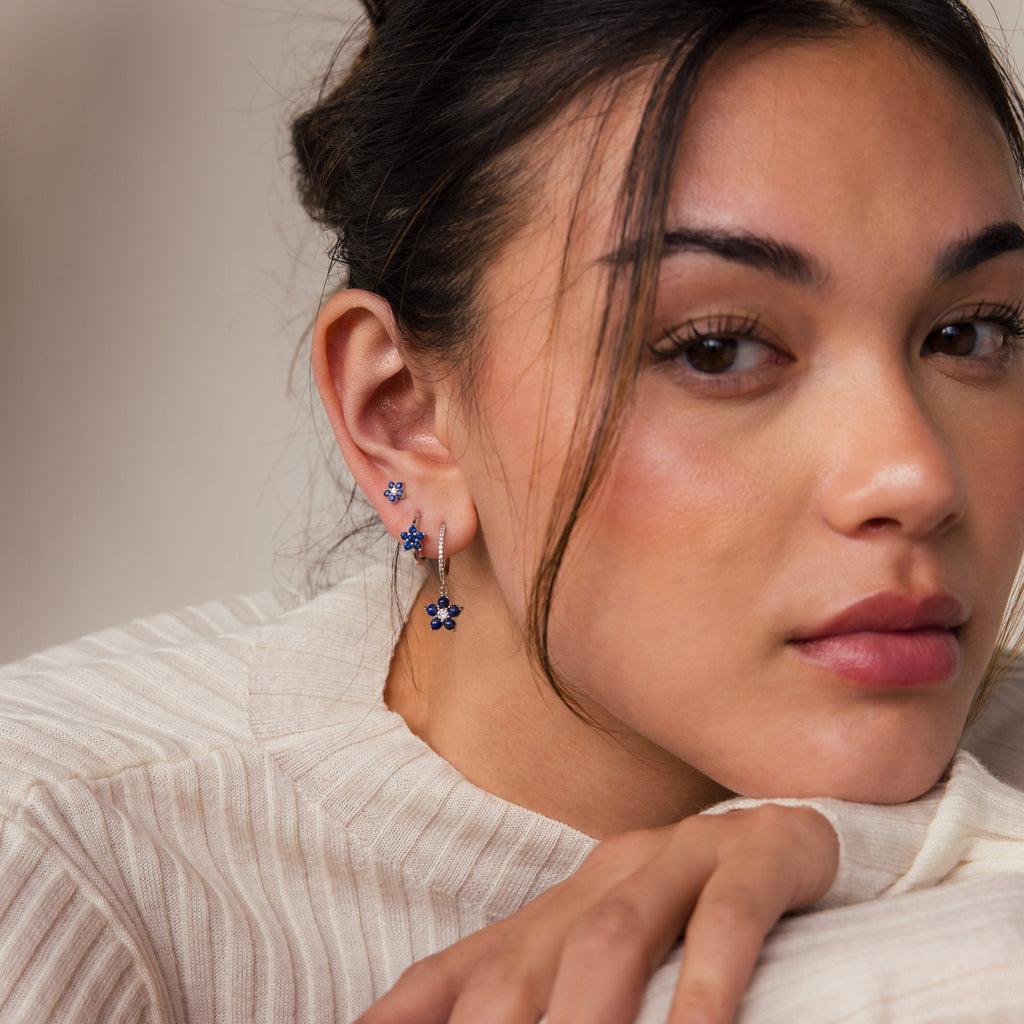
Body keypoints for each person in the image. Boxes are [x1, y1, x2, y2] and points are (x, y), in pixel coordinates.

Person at [3, 0, 1024, 1022]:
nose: (914, 476)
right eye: (717, 349)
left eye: (973, 334)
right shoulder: (59, 855)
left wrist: (861, 851)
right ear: (405, 420)